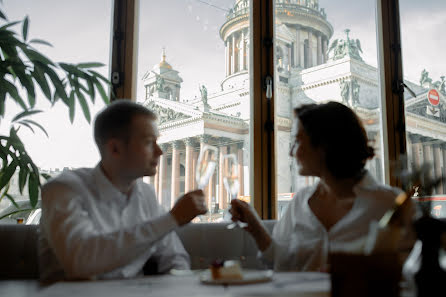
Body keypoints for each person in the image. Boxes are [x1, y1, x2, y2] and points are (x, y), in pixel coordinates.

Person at [230, 101, 411, 271]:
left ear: (325, 145)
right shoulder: (299, 202)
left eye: (298, 141)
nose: (292, 152)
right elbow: (280, 262)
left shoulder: (390, 203)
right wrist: (256, 228)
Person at [39, 100, 207, 282]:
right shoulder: (63, 189)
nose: (159, 151)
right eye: (150, 142)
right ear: (115, 148)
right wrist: (172, 219)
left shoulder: (146, 195)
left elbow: (175, 258)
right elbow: (81, 261)